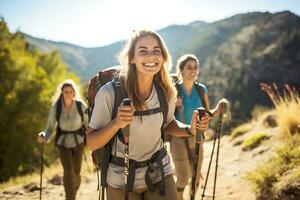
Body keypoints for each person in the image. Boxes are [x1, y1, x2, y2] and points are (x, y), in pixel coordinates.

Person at [86, 29, 212, 200]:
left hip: (160, 173)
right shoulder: (110, 93)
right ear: (132, 58)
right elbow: (92, 143)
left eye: (156, 51)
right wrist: (116, 123)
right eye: (143, 51)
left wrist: (190, 129)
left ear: (163, 57)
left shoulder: (166, 91)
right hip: (120, 181)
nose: (151, 56)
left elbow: (168, 124)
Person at [170, 54, 220, 200]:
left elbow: (207, 113)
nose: (193, 70)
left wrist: (218, 109)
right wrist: (174, 105)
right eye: (189, 67)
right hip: (177, 137)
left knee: (196, 175)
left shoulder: (201, 89)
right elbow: (166, 116)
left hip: (197, 136)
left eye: (195, 67)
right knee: (183, 176)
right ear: (181, 70)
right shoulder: (173, 89)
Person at [37, 79, 88, 200]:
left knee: (76, 173)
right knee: (68, 171)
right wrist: (44, 135)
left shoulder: (81, 106)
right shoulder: (56, 107)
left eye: (71, 91)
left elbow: (88, 124)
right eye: (66, 92)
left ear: (74, 93)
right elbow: (50, 127)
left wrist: (93, 139)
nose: (68, 94)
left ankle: (73, 193)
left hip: (78, 142)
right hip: (62, 143)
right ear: (62, 93)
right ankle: (69, 197)